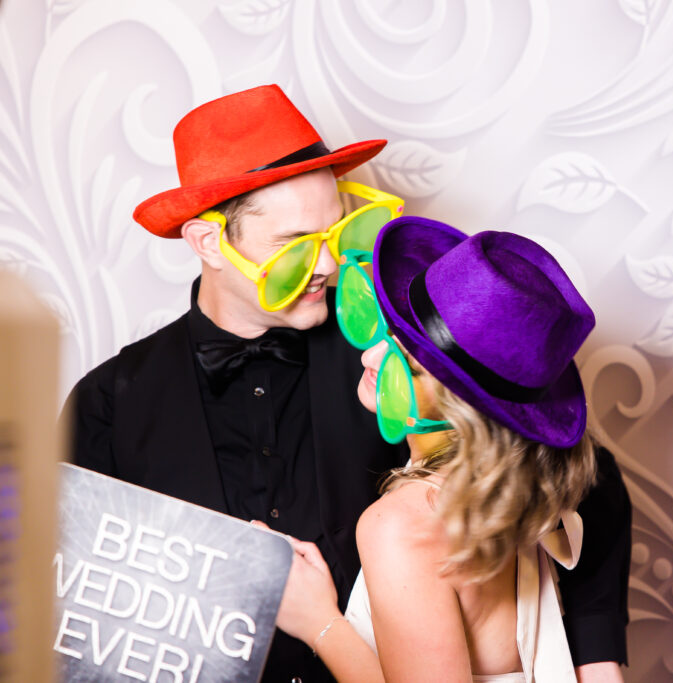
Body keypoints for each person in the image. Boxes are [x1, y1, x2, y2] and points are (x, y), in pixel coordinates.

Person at [63, 85, 631, 681]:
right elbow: (69, 605)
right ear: (209, 243)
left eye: (336, 233)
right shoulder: (107, 405)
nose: (332, 265)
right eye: (294, 244)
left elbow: (569, 470)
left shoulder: (394, 362)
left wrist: (596, 661)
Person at [273, 218, 616, 682]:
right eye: (386, 332)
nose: (370, 358)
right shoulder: (516, 495)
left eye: (409, 366)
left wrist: (319, 622)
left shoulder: (401, 525)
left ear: (463, 408)